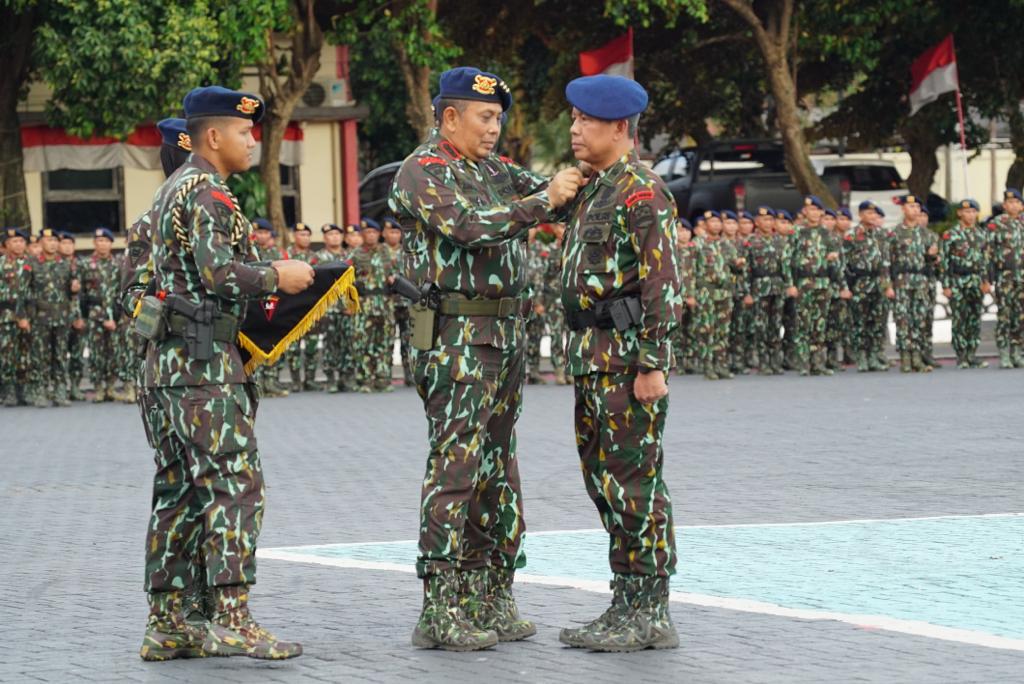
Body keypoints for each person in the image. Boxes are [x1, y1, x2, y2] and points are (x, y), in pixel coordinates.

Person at [388, 66, 581, 651]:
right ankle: (440, 606)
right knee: (457, 465)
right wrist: (542, 202)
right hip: (454, 334)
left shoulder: (494, 169)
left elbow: (554, 197)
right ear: (450, 117)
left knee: (498, 466)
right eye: (485, 117)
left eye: (498, 118)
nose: (495, 129)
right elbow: (471, 228)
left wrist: (597, 174)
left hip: (504, 333)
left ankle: (491, 591)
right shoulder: (423, 171)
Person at [136, 85, 313, 661]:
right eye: (245, 132)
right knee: (235, 486)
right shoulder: (208, 192)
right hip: (204, 368)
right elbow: (219, 275)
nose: (253, 140)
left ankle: (168, 623)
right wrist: (276, 276)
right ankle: (232, 619)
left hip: (167, 366)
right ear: (214, 136)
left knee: (179, 492)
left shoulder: (169, 192)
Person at [558, 74, 680, 652]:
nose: (574, 129)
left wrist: (652, 363)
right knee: (604, 482)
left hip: (628, 362)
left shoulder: (642, 192)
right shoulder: (593, 188)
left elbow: (662, 285)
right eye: (574, 119)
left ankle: (650, 609)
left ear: (619, 128)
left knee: (636, 484)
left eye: (586, 121)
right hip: (592, 359)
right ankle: (625, 599)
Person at [789, 196, 850, 376]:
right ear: (804, 212)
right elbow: (786, 261)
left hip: (824, 283)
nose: (813, 213)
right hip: (803, 283)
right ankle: (804, 363)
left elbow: (839, 265)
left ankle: (818, 362)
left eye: (817, 210)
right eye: (810, 210)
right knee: (802, 323)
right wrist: (790, 284)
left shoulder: (829, 235)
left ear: (821, 212)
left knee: (820, 324)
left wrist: (842, 286)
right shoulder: (797, 234)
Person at [27, 227, 82, 407]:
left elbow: (74, 295)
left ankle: (60, 392)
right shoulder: (31, 264)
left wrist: (75, 313)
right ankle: (41, 391)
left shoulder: (66, 264)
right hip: (40, 318)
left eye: (54, 241)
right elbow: (24, 292)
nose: (52, 244)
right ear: (41, 243)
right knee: (40, 356)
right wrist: (24, 317)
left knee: (60, 355)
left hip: (62, 317)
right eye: (48, 240)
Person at [888, 195, 938, 372]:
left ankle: (917, 357)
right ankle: (905, 358)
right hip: (902, 281)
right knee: (902, 320)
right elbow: (887, 261)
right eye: (911, 206)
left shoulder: (928, 234)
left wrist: (933, 256)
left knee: (919, 320)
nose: (915, 210)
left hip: (921, 282)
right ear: (903, 209)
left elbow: (932, 262)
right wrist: (887, 285)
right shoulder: (894, 234)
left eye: (917, 207)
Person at [941, 199, 992, 368]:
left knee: (974, 318)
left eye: (973, 211)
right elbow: (944, 261)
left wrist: (986, 281)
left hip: (976, 281)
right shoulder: (951, 234)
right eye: (966, 212)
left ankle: (972, 353)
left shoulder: (981, 234)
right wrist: (946, 285)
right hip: (958, 280)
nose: (970, 215)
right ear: (959, 214)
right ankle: (961, 355)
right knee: (959, 319)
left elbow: (986, 261)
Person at [844, 201, 894, 372]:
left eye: (874, 214)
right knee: (860, 322)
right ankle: (861, 356)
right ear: (861, 215)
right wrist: (846, 286)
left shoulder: (883, 235)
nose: (872, 217)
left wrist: (887, 285)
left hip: (879, 283)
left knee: (878, 321)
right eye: (868, 213)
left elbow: (886, 262)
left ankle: (874, 355)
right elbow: (844, 263)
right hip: (860, 283)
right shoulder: (851, 235)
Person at [349, 217, 395, 392]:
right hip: (365, 303)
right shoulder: (356, 254)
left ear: (379, 234)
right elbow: (346, 280)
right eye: (367, 232)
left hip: (384, 303)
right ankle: (365, 379)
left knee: (384, 341)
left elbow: (396, 272)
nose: (371, 235)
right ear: (362, 234)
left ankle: (383, 378)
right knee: (363, 341)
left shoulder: (386, 252)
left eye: (374, 232)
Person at [80, 227, 122, 400]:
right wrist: (81, 316)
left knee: (113, 352)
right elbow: (81, 294)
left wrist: (118, 316)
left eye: (106, 241)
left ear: (111, 243)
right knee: (96, 353)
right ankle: (98, 388)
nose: (102, 244)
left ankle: (111, 387)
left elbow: (122, 290)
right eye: (99, 241)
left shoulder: (119, 264)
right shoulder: (85, 264)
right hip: (94, 314)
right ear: (94, 243)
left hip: (114, 314)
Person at [747, 207, 788, 374]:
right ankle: (764, 362)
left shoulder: (780, 241)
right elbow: (746, 270)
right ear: (757, 222)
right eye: (764, 219)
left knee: (776, 325)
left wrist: (789, 285)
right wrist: (747, 292)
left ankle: (776, 361)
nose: (768, 223)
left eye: (771, 220)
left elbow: (785, 267)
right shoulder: (750, 242)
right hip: (759, 287)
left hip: (777, 286)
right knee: (761, 325)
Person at [987, 189, 1024, 368]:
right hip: (1005, 276)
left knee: (1020, 316)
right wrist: (987, 278)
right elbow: (987, 252)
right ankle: (1003, 351)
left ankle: (1017, 351)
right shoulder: (996, 224)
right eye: (1010, 202)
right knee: (1005, 315)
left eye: (1017, 202)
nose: (1014, 205)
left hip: (1022, 277)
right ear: (1004, 205)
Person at [285, 222, 320, 391]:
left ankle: (310, 379)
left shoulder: (317, 257)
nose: (304, 238)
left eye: (307, 235)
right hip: (292, 306)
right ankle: (295, 380)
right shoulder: (285, 256)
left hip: (311, 307)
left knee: (312, 345)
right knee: (293, 347)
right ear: (294, 236)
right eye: (301, 235)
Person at [315, 223, 349, 392]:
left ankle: (344, 377)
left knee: (346, 342)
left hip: (346, 307)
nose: (334, 237)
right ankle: (330, 378)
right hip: (327, 307)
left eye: (337, 234)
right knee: (329, 343)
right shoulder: (318, 257)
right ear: (324, 238)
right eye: (330, 234)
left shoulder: (350, 256)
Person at [0, 228, 32, 406]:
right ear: (6, 245)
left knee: (25, 354)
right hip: (6, 317)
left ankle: (24, 389)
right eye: (14, 242)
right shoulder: (1, 264)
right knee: (7, 355)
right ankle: (8, 391)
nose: (18, 244)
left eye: (21, 241)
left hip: (29, 317)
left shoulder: (32, 263)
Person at [382, 217, 414, 385]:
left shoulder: (408, 251)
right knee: (387, 339)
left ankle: (409, 374)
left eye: (396, 231)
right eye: (390, 231)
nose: (394, 235)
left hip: (407, 302)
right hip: (386, 303)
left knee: (408, 338)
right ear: (384, 233)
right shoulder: (379, 252)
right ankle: (385, 374)